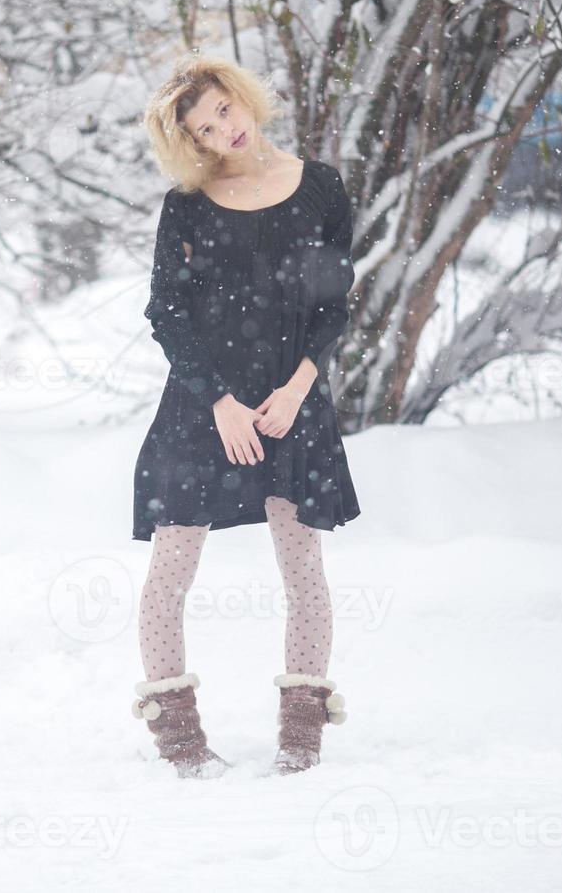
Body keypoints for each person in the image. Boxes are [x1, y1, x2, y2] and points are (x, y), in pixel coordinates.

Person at [128, 54, 360, 778]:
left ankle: (301, 739)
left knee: (303, 567)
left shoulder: (319, 187)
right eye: (203, 127)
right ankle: (181, 745)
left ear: (243, 97)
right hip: (204, 407)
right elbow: (166, 312)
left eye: (224, 109)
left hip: (292, 402)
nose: (223, 129)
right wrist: (219, 400)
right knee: (172, 569)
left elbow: (333, 303)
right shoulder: (189, 205)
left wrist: (297, 387)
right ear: (190, 143)